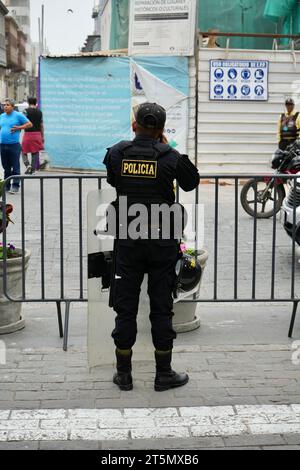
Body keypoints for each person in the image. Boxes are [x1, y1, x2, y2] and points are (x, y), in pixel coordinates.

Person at [104, 102, 200, 392]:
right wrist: (166, 146)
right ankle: (163, 374)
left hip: (128, 239)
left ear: (134, 125)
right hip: (162, 241)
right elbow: (191, 182)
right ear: (161, 130)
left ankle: (124, 374)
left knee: (125, 309)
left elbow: (113, 180)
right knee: (161, 308)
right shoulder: (170, 156)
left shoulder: (117, 153)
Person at [0, 99, 33, 194]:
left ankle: (15, 186)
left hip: (14, 145)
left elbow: (30, 124)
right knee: (6, 167)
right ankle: (6, 186)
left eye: (7, 105)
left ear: (12, 106)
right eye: (4, 105)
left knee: (15, 167)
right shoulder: (2, 116)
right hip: (2, 145)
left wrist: (19, 127)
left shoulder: (18, 115)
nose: (5, 106)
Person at [22, 97, 44, 175]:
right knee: (35, 152)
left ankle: (28, 165)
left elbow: (22, 122)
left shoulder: (25, 111)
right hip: (37, 134)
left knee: (23, 150)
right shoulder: (39, 112)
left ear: (28, 102)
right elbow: (41, 125)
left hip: (28, 134)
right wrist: (42, 136)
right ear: (36, 102)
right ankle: (33, 169)